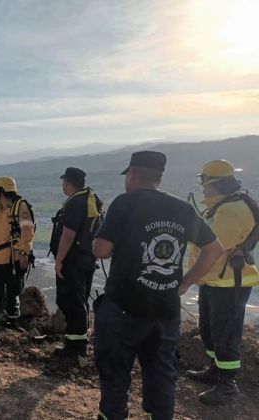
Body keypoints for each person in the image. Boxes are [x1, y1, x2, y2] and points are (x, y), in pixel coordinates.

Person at [92, 151, 224, 420]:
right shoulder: (182, 209)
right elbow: (214, 249)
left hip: (123, 310)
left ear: (132, 175)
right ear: (159, 178)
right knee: (163, 376)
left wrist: (98, 239)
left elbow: (102, 250)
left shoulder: (124, 203)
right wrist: (186, 283)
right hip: (165, 312)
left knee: (115, 375)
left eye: (127, 175)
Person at [186, 160, 259, 405]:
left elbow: (212, 250)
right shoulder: (224, 206)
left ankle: (227, 386)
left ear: (216, 184)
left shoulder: (231, 211)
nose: (203, 188)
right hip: (217, 281)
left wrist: (187, 281)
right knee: (209, 330)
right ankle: (215, 372)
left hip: (230, 284)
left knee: (225, 334)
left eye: (205, 183)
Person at [49, 167, 103, 358]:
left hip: (72, 260)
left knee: (71, 299)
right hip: (86, 258)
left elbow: (68, 234)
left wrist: (59, 260)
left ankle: (75, 346)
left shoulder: (76, 202)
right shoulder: (90, 199)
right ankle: (77, 341)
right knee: (79, 299)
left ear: (67, 183)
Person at [0, 176, 35, 350]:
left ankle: (11, 321)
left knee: (13, 291)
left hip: (12, 259)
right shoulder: (1, 209)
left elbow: (27, 230)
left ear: (3, 191)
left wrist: (25, 253)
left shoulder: (20, 206)